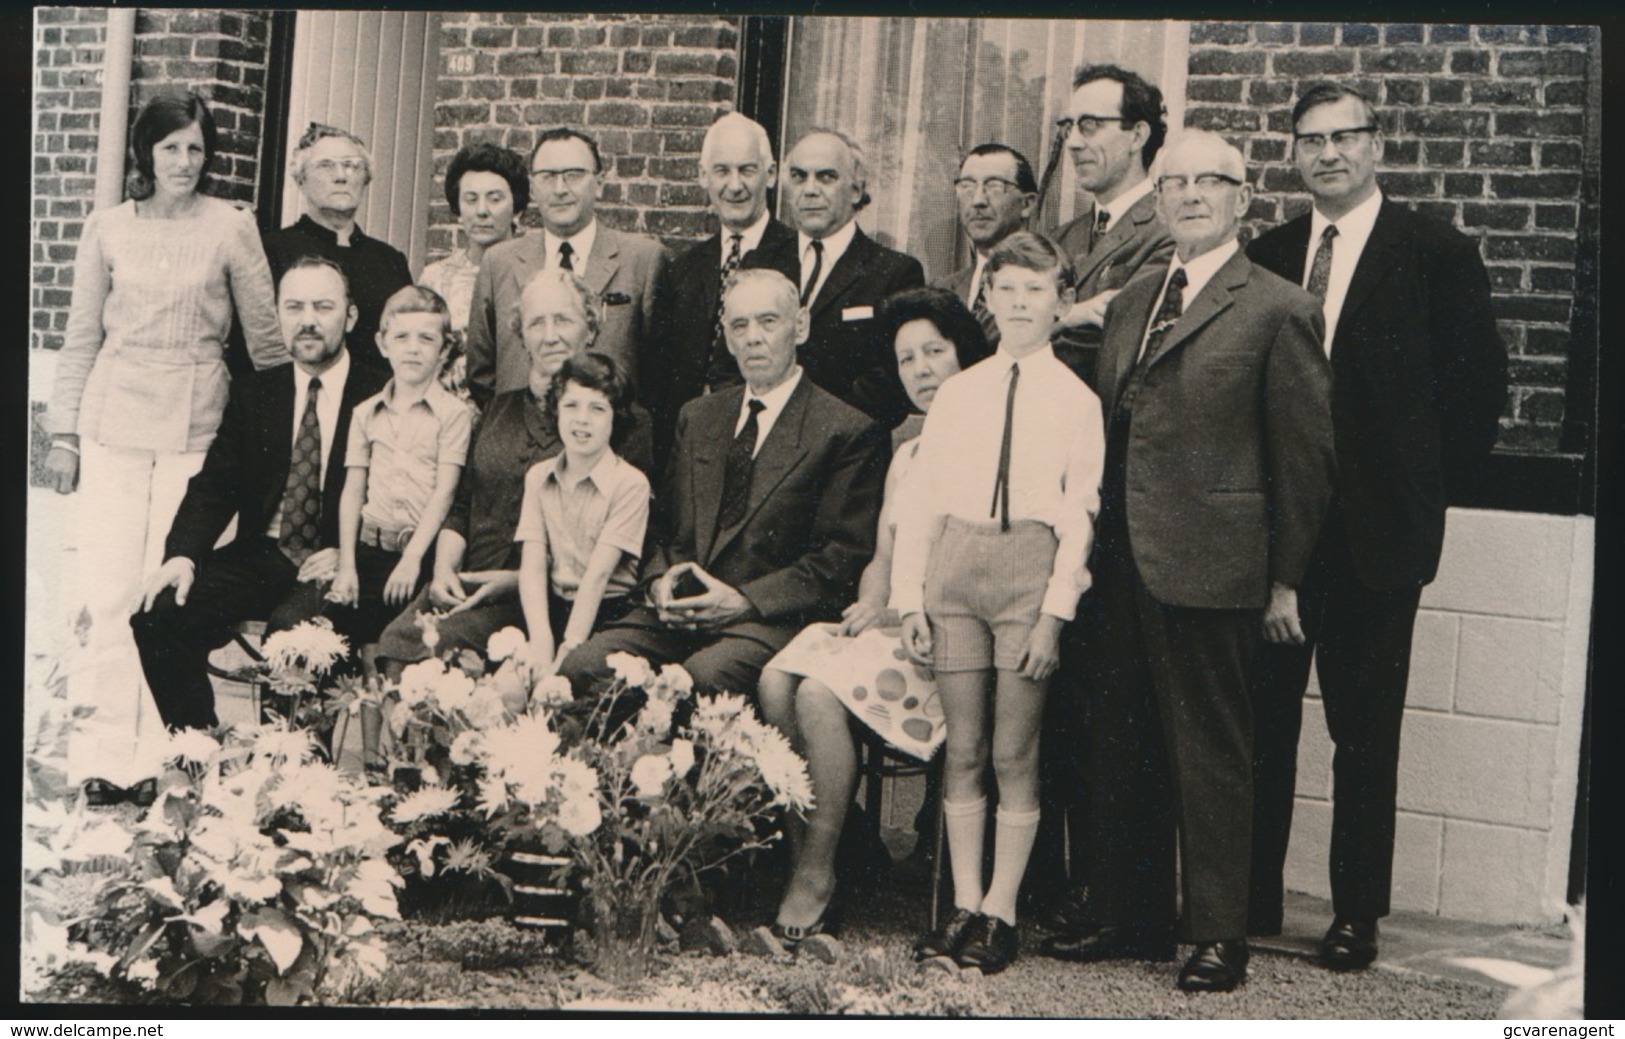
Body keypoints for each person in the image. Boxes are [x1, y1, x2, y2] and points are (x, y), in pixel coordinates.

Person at [1040, 131, 1333, 993]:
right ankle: (1128, 915)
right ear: (1157, 198)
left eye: (1213, 181)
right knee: (1118, 739)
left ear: (1244, 200)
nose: (1192, 194)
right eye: (1176, 182)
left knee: (1210, 751)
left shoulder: (1278, 308)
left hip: (1215, 564)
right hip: (1120, 561)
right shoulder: (1133, 298)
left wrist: (1284, 578)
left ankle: (1216, 933)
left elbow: (1304, 460)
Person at [1245, 84, 1508, 970]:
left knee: (1362, 733)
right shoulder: (1270, 253)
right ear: (1292, 153)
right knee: (1261, 725)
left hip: (1375, 541)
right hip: (1278, 535)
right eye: (1309, 140)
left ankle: (1355, 912)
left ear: (1374, 145)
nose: (1327, 153)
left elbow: (1476, 396)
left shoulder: (1432, 250)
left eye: (1344, 137)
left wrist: (1415, 495)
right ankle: (1248, 895)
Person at [43, 93, 285, 797]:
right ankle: (101, 756)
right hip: (114, 423)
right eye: (171, 147)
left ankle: (163, 759)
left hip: (196, 426)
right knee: (110, 589)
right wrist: (63, 433)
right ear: (145, 153)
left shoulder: (231, 227)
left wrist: (267, 447)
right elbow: (82, 333)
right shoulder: (107, 227)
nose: (184, 162)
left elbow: (266, 344)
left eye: (196, 149)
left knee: (167, 595)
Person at [891, 232, 1105, 975]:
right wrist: (908, 597)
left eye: (1035, 291)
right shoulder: (958, 391)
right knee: (964, 746)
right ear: (987, 297)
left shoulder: (1076, 401)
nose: (1019, 304)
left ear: (1061, 302)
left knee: (1016, 751)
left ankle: (1002, 909)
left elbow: (1079, 516)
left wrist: (1053, 614)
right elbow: (921, 499)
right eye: (1006, 289)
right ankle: (964, 900)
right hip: (955, 571)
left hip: (1026, 573)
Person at [755, 286, 991, 947]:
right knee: (778, 678)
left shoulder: (984, 446)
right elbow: (885, 552)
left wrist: (905, 611)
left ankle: (815, 873)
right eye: (906, 357)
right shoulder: (907, 450)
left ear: (963, 356)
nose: (919, 368)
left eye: (933, 352)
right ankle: (816, 853)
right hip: (892, 621)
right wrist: (868, 604)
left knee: (822, 695)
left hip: (948, 637)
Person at [559, 268, 888, 701]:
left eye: (768, 322)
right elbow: (660, 524)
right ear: (728, 339)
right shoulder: (699, 417)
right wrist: (660, 584)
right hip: (678, 615)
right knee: (583, 666)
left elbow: (839, 561)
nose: (753, 337)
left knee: (701, 680)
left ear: (800, 325)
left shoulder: (844, 430)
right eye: (739, 325)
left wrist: (743, 601)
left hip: (769, 619)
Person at [130, 256, 390, 732]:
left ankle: (291, 781)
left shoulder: (381, 392)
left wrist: (349, 550)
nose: (307, 320)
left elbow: (399, 494)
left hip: (340, 561)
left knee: (294, 637)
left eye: (323, 307)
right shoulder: (257, 393)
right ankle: (201, 755)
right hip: (265, 554)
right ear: (278, 316)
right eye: (293, 307)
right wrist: (182, 555)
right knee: (158, 616)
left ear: (350, 318)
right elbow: (214, 484)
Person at [374, 270, 654, 670]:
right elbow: (463, 503)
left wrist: (506, 581)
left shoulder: (621, 421)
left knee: (437, 652)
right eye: (536, 322)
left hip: (542, 599)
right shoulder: (499, 410)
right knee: (398, 643)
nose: (550, 334)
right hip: (467, 581)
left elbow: (614, 543)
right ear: (521, 334)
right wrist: (443, 570)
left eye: (563, 320)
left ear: (590, 328)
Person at [319, 285, 473, 769]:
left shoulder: (455, 415)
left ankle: (402, 763)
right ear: (382, 343)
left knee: (401, 658)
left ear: (445, 349)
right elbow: (352, 491)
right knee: (366, 656)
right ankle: (368, 761)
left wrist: (411, 559)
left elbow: (446, 491)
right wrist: (347, 563)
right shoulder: (366, 413)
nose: (412, 348)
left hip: (418, 554)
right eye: (401, 336)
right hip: (370, 548)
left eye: (426, 339)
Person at [464, 127, 669, 407]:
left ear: (598, 182)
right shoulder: (498, 263)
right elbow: (481, 373)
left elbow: (659, 377)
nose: (560, 189)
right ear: (533, 187)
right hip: (523, 441)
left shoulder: (644, 260)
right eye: (547, 177)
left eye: (573, 175)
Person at [647, 112, 799, 466]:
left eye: (747, 170)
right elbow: (659, 376)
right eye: (722, 171)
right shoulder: (681, 268)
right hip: (687, 451)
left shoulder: (798, 259)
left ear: (771, 174)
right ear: (703, 177)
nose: (734, 185)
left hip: (766, 448)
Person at [748, 128, 926, 429]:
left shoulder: (894, 273)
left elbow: (888, 380)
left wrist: (808, 429)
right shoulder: (759, 263)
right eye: (799, 177)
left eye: (827, 177)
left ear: (856, 190)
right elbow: (728, 363)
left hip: (845, 451)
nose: (810, 189)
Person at [516, 353, 651, 678]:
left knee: (569, 679)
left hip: (608, 613)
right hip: (551, 608)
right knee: (513, 683)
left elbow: (597, 577)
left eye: (597, 408)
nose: (582, 420)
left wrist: (567, 649)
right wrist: (541, 641)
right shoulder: (538, 476)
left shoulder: (630, 483)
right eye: (571, 406)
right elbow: (532, 565)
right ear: (555, 411)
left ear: (615, 418)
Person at [1048, 64, 1175, 387]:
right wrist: (1070, 315)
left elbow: (1117, 342)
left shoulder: (1169, 234)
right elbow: (991, 329)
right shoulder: (1060, 237)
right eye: (1068, 127)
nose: (1073, 143)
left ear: (1137, 135)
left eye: (1090, 125)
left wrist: (1041, 319)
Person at [261, 123, 413, 372]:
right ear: (301, 179)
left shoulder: (389, 260)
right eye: (326, 165)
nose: (341, 175)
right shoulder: (273, 251)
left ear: (366, 179)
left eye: (352, 165)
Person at [420, 143, 530, 396]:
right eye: (471, 199)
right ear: (458, 210)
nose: (482, 211)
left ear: (517, 209)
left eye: (495, 199)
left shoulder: (537, 274)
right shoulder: (435, 279)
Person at [935, 144, 1038, 346]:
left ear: (1027, 204)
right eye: (967, 186)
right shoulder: (942, 290)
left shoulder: (1046, 281)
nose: (978, 200)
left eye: (994, 186)